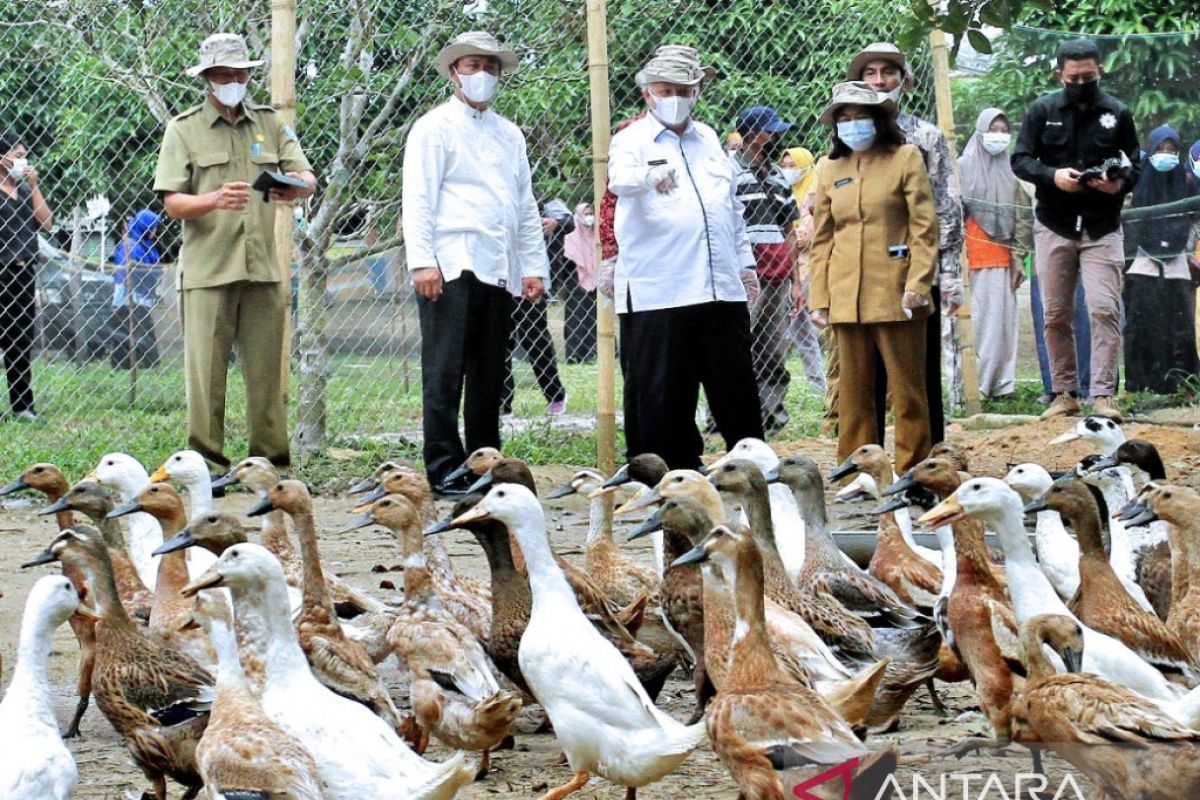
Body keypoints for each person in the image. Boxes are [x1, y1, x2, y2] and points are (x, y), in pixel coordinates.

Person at [154, 33, 316, 471]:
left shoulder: (269, 123)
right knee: (206, 380)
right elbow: (172, 202)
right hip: (208, 271)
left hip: (262, 268)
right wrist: (212, 200)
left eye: (240, 73)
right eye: (224, 74)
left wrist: (292, 188)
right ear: (207, 78)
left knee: (266, 376)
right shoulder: (183, 129)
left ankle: (271, 466)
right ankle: (208, 467)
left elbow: (305, 175)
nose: (234, 81)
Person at [402, 31, 549, 496]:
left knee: (490, 371)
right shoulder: (434, 127)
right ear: (453, 72)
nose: (482, 75)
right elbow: (419, 198)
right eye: (471, 66)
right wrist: (422, 261)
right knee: (445, 370)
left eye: (490, 66)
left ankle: (487, 464)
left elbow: (524, 204)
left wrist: (533, 265)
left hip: (497, 262)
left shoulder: (510, 135)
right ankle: (444, 467)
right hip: (450, 260)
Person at [605, 44, 764, 469]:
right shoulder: (629, 140)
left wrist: (745, 263)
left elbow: (732, 209)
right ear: (647, 94)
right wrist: (647, 177)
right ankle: (666, 470)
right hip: (661, 286)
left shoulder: (710, 139)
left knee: (734, 381)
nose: (675, 97)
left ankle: (749, 465)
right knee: (660, 387)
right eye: (665, 89)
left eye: (684, 89)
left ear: (696, 92)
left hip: (719, 283)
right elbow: (617, 180)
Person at [808, 82, 937, 473]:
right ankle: (858, 472)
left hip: (898, 292)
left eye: (859, 117)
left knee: (907, 390)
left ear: (879, 119)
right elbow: (822, 237)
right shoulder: (830, 167)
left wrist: (918, 283)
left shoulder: (906, 157)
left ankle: (913, 471)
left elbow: (924, 227)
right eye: (843, 118)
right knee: (853, 392)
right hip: (846, 293)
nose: (852, 125)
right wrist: (819, 298)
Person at [1012, 38, 1139, 421]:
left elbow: (1135, 163)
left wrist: (1118, 183)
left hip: (1103, 226)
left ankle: (1103, 395)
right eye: (1074, 77)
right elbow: (1020, 159)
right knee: (1056, 314)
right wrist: (1053, 176)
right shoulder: (1042, 110)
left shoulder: (1117, 112)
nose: (1082, 82)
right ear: (1059, 75)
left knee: (1104, 308)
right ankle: (1063, 392)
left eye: (1089, 75)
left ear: (1099, 70)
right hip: (1054, 224)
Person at [849, 42, 963, 441]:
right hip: (862, 275)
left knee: (919, 369)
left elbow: (945, 207)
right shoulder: (849, 137)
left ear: (904, 80)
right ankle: (868, 460)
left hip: (915, 273)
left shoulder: (925, 137)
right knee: (864, 378)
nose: (880, 81)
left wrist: (948, 273)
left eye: (888, 72)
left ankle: (929, 460)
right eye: (870, 73)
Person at [730, 106, 801, 434]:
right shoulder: (728, 172)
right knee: (737, 345)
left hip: (777, 272)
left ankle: (772, 417)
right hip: (744, 271)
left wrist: (795, 280)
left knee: (773, 347)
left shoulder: (777, 176)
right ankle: (727, 417)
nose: (776, 137)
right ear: (751, 134)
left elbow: (789, 229)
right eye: (769, 131)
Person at [957, 108, 1031, 399]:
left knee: (1004, 326)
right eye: (993, 129)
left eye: (1003, 130)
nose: (998, 136)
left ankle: (1002, 385)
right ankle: (977, 387)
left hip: (1005, 258)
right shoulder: (962, 166)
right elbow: (953, 214)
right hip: (973, 259)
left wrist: (1019, 261)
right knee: (980, 326)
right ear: (980, 131)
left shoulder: (1011, 170)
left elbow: (1023, 218)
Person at [1122, 125, 1199, 394]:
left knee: (1180, 325)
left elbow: (1191, 219)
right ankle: (1139, 384)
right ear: (1152, 150)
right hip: (1142, 260)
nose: (1166, 154)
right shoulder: (1137, 180)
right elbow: (1131, 222)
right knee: (1143, 323)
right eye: (1161, 149)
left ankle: (1182, 383)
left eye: (1171, 150)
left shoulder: (1186, 180)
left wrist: (1184, 250)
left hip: (1178, 258)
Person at [0, 130, 52, 422]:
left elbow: (46, 223)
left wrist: (34, 185)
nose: (23, 161)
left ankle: (23, 406)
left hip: (23, 272)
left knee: (20, 340)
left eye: (24, 156)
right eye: (17, 156)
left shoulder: (23, 192)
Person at [501, 198, 570, 415]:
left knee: (536, 339)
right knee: (500, 343)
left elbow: (569, 221)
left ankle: (555, 394)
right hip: (498, 278)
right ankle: (503, 402)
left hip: (529, 280)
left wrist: (555, 223)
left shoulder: (537, 195)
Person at [781, 146, 829, 395]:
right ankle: (815, 384)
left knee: (811, 325)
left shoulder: (815, 188)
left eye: (794, 165)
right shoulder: (782, 190)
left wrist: (787, 239)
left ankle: (822, 383)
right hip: (789, 268)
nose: (788, 171)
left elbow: (804, 236)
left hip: (812, 266)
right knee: (799, 331)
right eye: (785, 165)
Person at [110, 209, 163, 370]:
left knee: (140, 330)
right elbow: (124, 276)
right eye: (153, 227)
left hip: (142, 297)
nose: (156, 230)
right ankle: (144, 364)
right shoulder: (131, 246)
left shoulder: (147, 246)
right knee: (131, 331)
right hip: (129, 298)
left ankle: (142, 363)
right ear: (144, 227)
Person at [561, 201, 598, 362]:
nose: (589, 217)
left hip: (595, 280)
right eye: (586, 214)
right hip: (574, 281)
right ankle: (574, 353)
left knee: (594, 316)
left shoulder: (596, 235)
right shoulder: (571, 236)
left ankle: (594, 351)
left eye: (591, 214)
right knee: (576, 316)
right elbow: (566, 261)